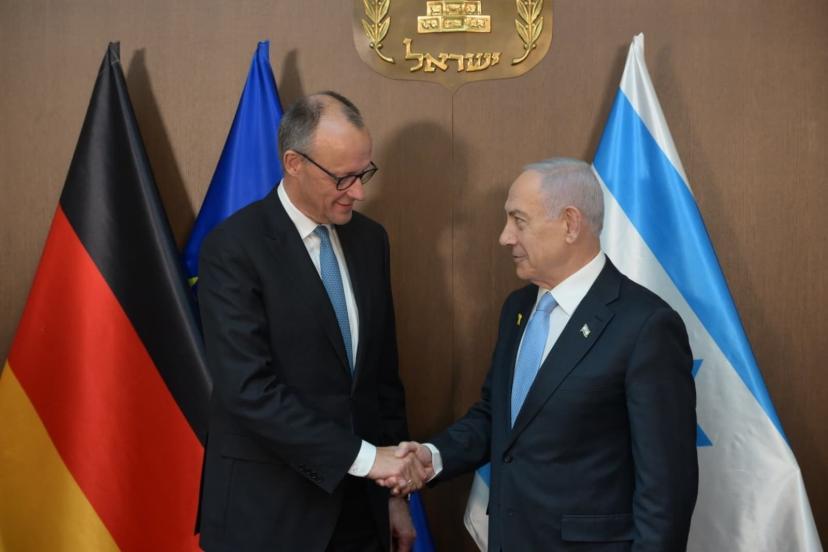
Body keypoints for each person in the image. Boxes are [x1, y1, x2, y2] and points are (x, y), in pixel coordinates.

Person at [399, 158, 699, 551]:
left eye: (518, 221)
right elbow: (498, 417)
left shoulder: (645, 325)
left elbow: (666, 490)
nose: (504, 237)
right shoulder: (518, 307)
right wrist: (433, 457)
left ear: (570, 224)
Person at [196, 91, 429, 552]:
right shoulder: (233, 248)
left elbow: (382, 379)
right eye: (343, 178)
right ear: (294, 163)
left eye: (364, 173)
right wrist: (366, 459)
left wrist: (394, 497)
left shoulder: (370, 240)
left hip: (361, 511)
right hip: (269, 514)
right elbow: (248, 390)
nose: (359, 192)